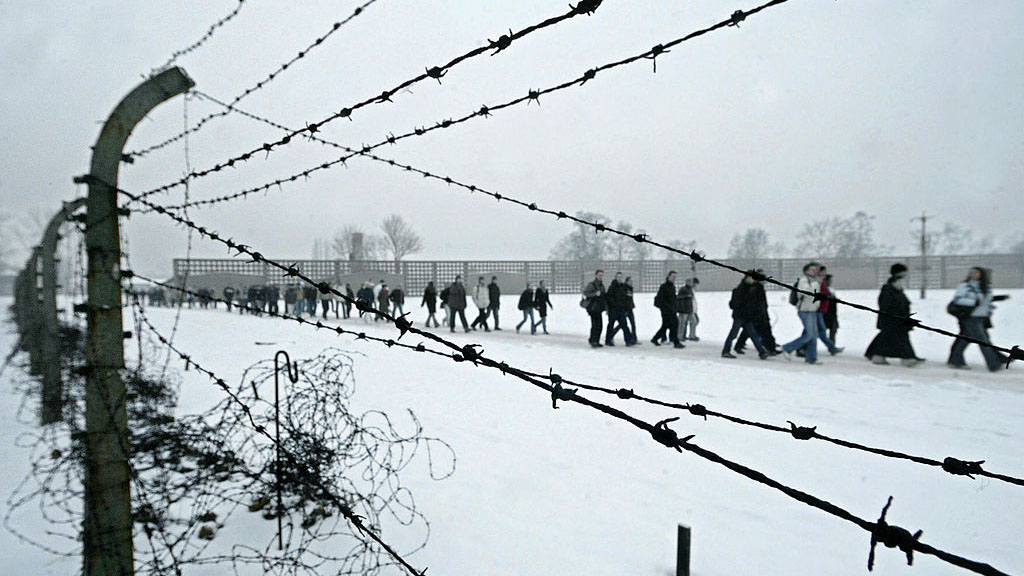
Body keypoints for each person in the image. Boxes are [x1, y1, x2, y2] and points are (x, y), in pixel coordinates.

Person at [947, 267, 1011, 372]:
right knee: (983, 341)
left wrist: (999, 298)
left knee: (966, 339)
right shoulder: (965, 286)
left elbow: (986, 299)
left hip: (982, 317)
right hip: (970, 317)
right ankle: (993, 364)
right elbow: (958, 300)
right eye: (972, 273)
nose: (974, 274)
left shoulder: (985, 286)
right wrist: (973, 301)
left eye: (977, 273)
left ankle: (955, 360)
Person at [864, 263, 922, 367]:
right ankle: (907, 358)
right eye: (903, 273)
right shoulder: (889, 288)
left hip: (896, 319)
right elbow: (886, 305)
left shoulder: (895, 287)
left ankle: (876, 355)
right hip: (893, 320)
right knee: (900, 338)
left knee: (887, 337)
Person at [782, 262, 824, 364]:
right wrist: (815, 285)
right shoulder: (804, 280)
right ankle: (787, 348)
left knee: (814, 335)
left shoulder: (815, 281)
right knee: (809, 335)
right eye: (812, 270)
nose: (814, 272)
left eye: (815, 270)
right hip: (805, 310)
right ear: (806, 271)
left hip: (812, 310)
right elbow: (804, 292)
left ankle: (811, 358)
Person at [721, 272, 770, 359]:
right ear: (746, 278)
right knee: (734, 334)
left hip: (746, 316)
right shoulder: (741, 289)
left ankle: (762, 352)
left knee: (753, 334)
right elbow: (735, 304)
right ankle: (726, 351)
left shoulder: (752, 288)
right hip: (740, 316)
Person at [735, 269, 779, 355]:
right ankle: (770, 348)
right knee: (764, 331)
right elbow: (754, 302)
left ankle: (739, 345)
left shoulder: (758, 287)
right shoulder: (755, 287)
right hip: (757, 314)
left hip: (759, 313)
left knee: (749, 330)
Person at [652, 271, 684, 348]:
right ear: (668, 276)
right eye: (673, 276)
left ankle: (655, 338)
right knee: (673, 325)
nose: (674, 278)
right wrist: (666, 307)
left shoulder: (672, 286)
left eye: (675, 277)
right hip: (666, 310)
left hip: (672, 310)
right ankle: (675, 342)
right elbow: (661, 298)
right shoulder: (664, 286)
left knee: (667, 326)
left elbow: (672, 299)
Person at [604, 272, 635, 346]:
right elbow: (609, 298)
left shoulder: (623, 287)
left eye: (621, 277)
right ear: (615, 278)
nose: (619, 278)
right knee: (611, 325)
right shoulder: (612, 287)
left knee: (624, 325)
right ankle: (608, 340)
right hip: (613, 310)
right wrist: (611, 307)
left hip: (621, 310)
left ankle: (628, 340)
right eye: (618, 277)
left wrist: (624, 307)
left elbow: (627, 296)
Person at [582, 269, 607, 347]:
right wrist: (595, 294)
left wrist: (606, 308)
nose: (601, 277)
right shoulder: (592, 284)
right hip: (592, 308)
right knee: (595, 325)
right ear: (596, 275)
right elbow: (585, 293)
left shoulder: (602, 286)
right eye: (599, 275)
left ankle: (596, 340)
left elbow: (604, 297)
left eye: (602, 275)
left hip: (599, 308)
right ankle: (593, 341)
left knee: (599, 325)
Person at [624, 276, 638, 343]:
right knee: (622, 325)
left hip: (630, 308)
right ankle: (611, 334)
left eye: (631, 281)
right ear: (626, 282)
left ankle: (634, 338)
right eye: (630, 281)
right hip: (626, 309)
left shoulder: (630, 288)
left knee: (633, 324)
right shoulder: (624, 288)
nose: (631, 282)